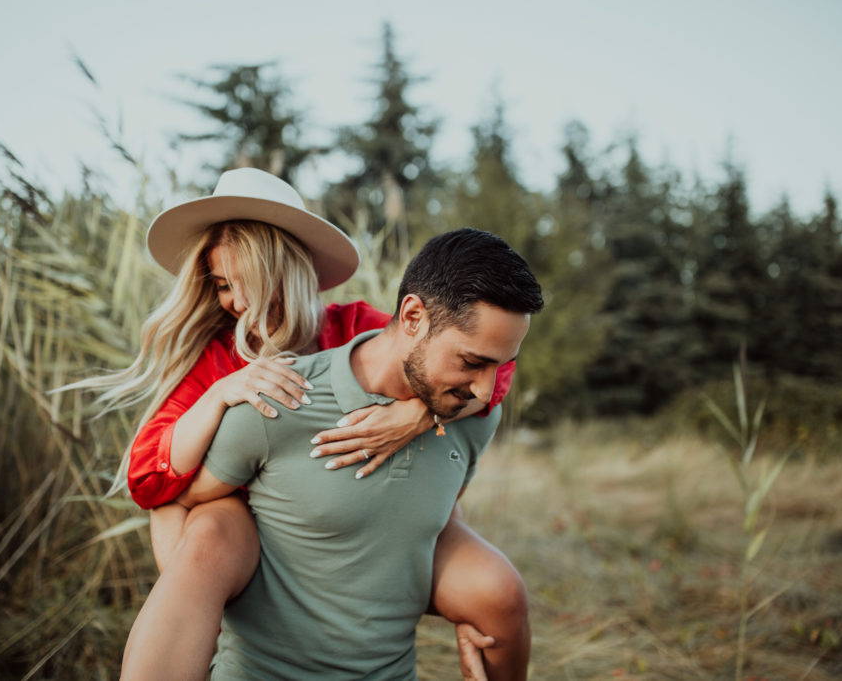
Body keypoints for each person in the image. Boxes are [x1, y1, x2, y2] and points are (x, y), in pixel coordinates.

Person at [75, 169, 529, 679]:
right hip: (243, 522)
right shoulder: (221, 360)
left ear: (292, 272)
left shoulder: (353, 329)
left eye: (249, 283)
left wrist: (416, 413)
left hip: (352, 519)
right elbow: (150, 480)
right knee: (200, 529)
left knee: (488, 576)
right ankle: (209, 640)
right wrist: (221, 394)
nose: (238, 303)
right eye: (224, 286)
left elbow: (465, 358)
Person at [172, 227, 544, 679]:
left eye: (500, 365)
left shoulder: (470, 412)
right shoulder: (268, 395)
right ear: (412, 317)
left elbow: (438, 511)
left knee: (498, 589)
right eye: (471, 362)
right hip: (261, 646)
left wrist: (469, 605)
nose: (485, 390)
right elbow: (174, 491)